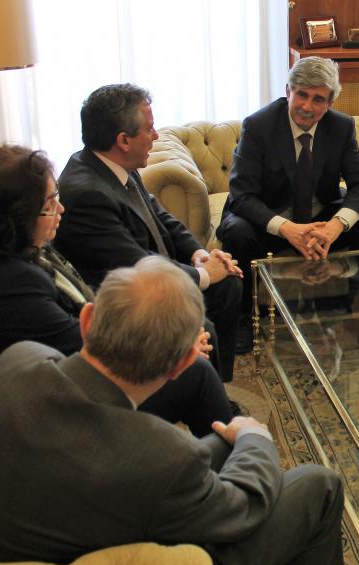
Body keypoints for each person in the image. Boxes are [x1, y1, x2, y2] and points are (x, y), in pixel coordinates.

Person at [0, 256, 347, 565]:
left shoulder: (16, 362)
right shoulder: (161, 456)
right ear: (182, 364)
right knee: (319, 486)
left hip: (20, 545)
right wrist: (255, 438)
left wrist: (235, 446)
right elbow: (244, 508)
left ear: (87, 321)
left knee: (221, 447)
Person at [0, 144, 236, 438]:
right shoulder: (7, 284)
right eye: (49, 205)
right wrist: (170, 351)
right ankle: (229, 456)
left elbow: (87, 308)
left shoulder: (13, 252)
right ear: (14, 217)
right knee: (195, 373)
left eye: (56, 196)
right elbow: (92, 354)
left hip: (48, 389)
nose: (61, 209)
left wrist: (168, 337)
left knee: (192, 349)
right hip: (30, 424)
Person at [53, 84, 242, 381]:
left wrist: (199, 254)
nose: (155, 136)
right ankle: (201, 394)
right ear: (123, 140)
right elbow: (135, 264)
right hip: (129, 299)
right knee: (204, 324)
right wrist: (205, 275)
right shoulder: (87, 194)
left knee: (228, 284)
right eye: (150, 129)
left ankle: (216, 384)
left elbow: (161, 217)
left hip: (153, 268)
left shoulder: (115, 164)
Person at [216, 56, 359, 353]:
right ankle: (243, 318)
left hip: (320, 220)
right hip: (269, 218)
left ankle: (354, 309)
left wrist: (335, 226)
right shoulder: (258, 126)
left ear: (330, 102)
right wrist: (288, 229)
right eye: (302, 95)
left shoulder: (341, 127)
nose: (307, 106)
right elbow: (242, 195)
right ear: (288, 91)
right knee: (236, 233)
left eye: (318, 99)